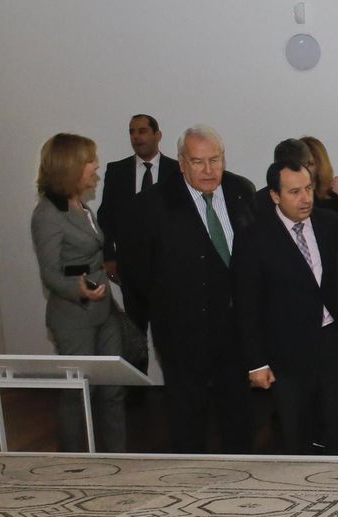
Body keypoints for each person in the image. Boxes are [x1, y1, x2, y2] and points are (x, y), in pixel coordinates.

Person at [123, 124, 256, 454]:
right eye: (198, 162)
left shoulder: (241, 190)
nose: (209, 170)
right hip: (182, 333)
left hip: (236, 331)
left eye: (215, 160)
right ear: (181, 162)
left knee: (238, 416)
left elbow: (253, 256)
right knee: (187, 418)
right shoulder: (152, 204)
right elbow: (137, 271)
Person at [233, 160, 338, 454]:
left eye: (309, 188)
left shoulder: (329, 223)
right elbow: (246, 304)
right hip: (286, 352)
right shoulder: (254, 238)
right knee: (295, 433)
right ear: (275, 195)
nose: (306, 198)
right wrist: (257, 362)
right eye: (295, 191)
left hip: (331, 341)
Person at [29, 133, 126, 453]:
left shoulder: (80, 205)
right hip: (74, 317)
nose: (95, 166)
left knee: (112, 389)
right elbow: (50, 272)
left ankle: (118, 458)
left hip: (104, 311)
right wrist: (78, 288)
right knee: (77, 392)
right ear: (69, 166)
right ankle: (72, 461)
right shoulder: (47, 214)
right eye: (88, 160)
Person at [99, 114, 178, 336]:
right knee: (134, 336)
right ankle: (137, 372)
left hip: (167, 268)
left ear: (157, 135)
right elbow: (106, 216)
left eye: (142, 131)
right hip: (130, 268)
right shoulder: (117, 171)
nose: (136, 137)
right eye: (132, 132)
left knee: (170, 335)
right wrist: (109, 257)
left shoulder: (176, 171)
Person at [300, 135, 338, 218]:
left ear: (319, 165)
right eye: (300, 164)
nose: (304, 169)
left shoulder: (332, 196)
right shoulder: (289, 195)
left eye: (310, 164)